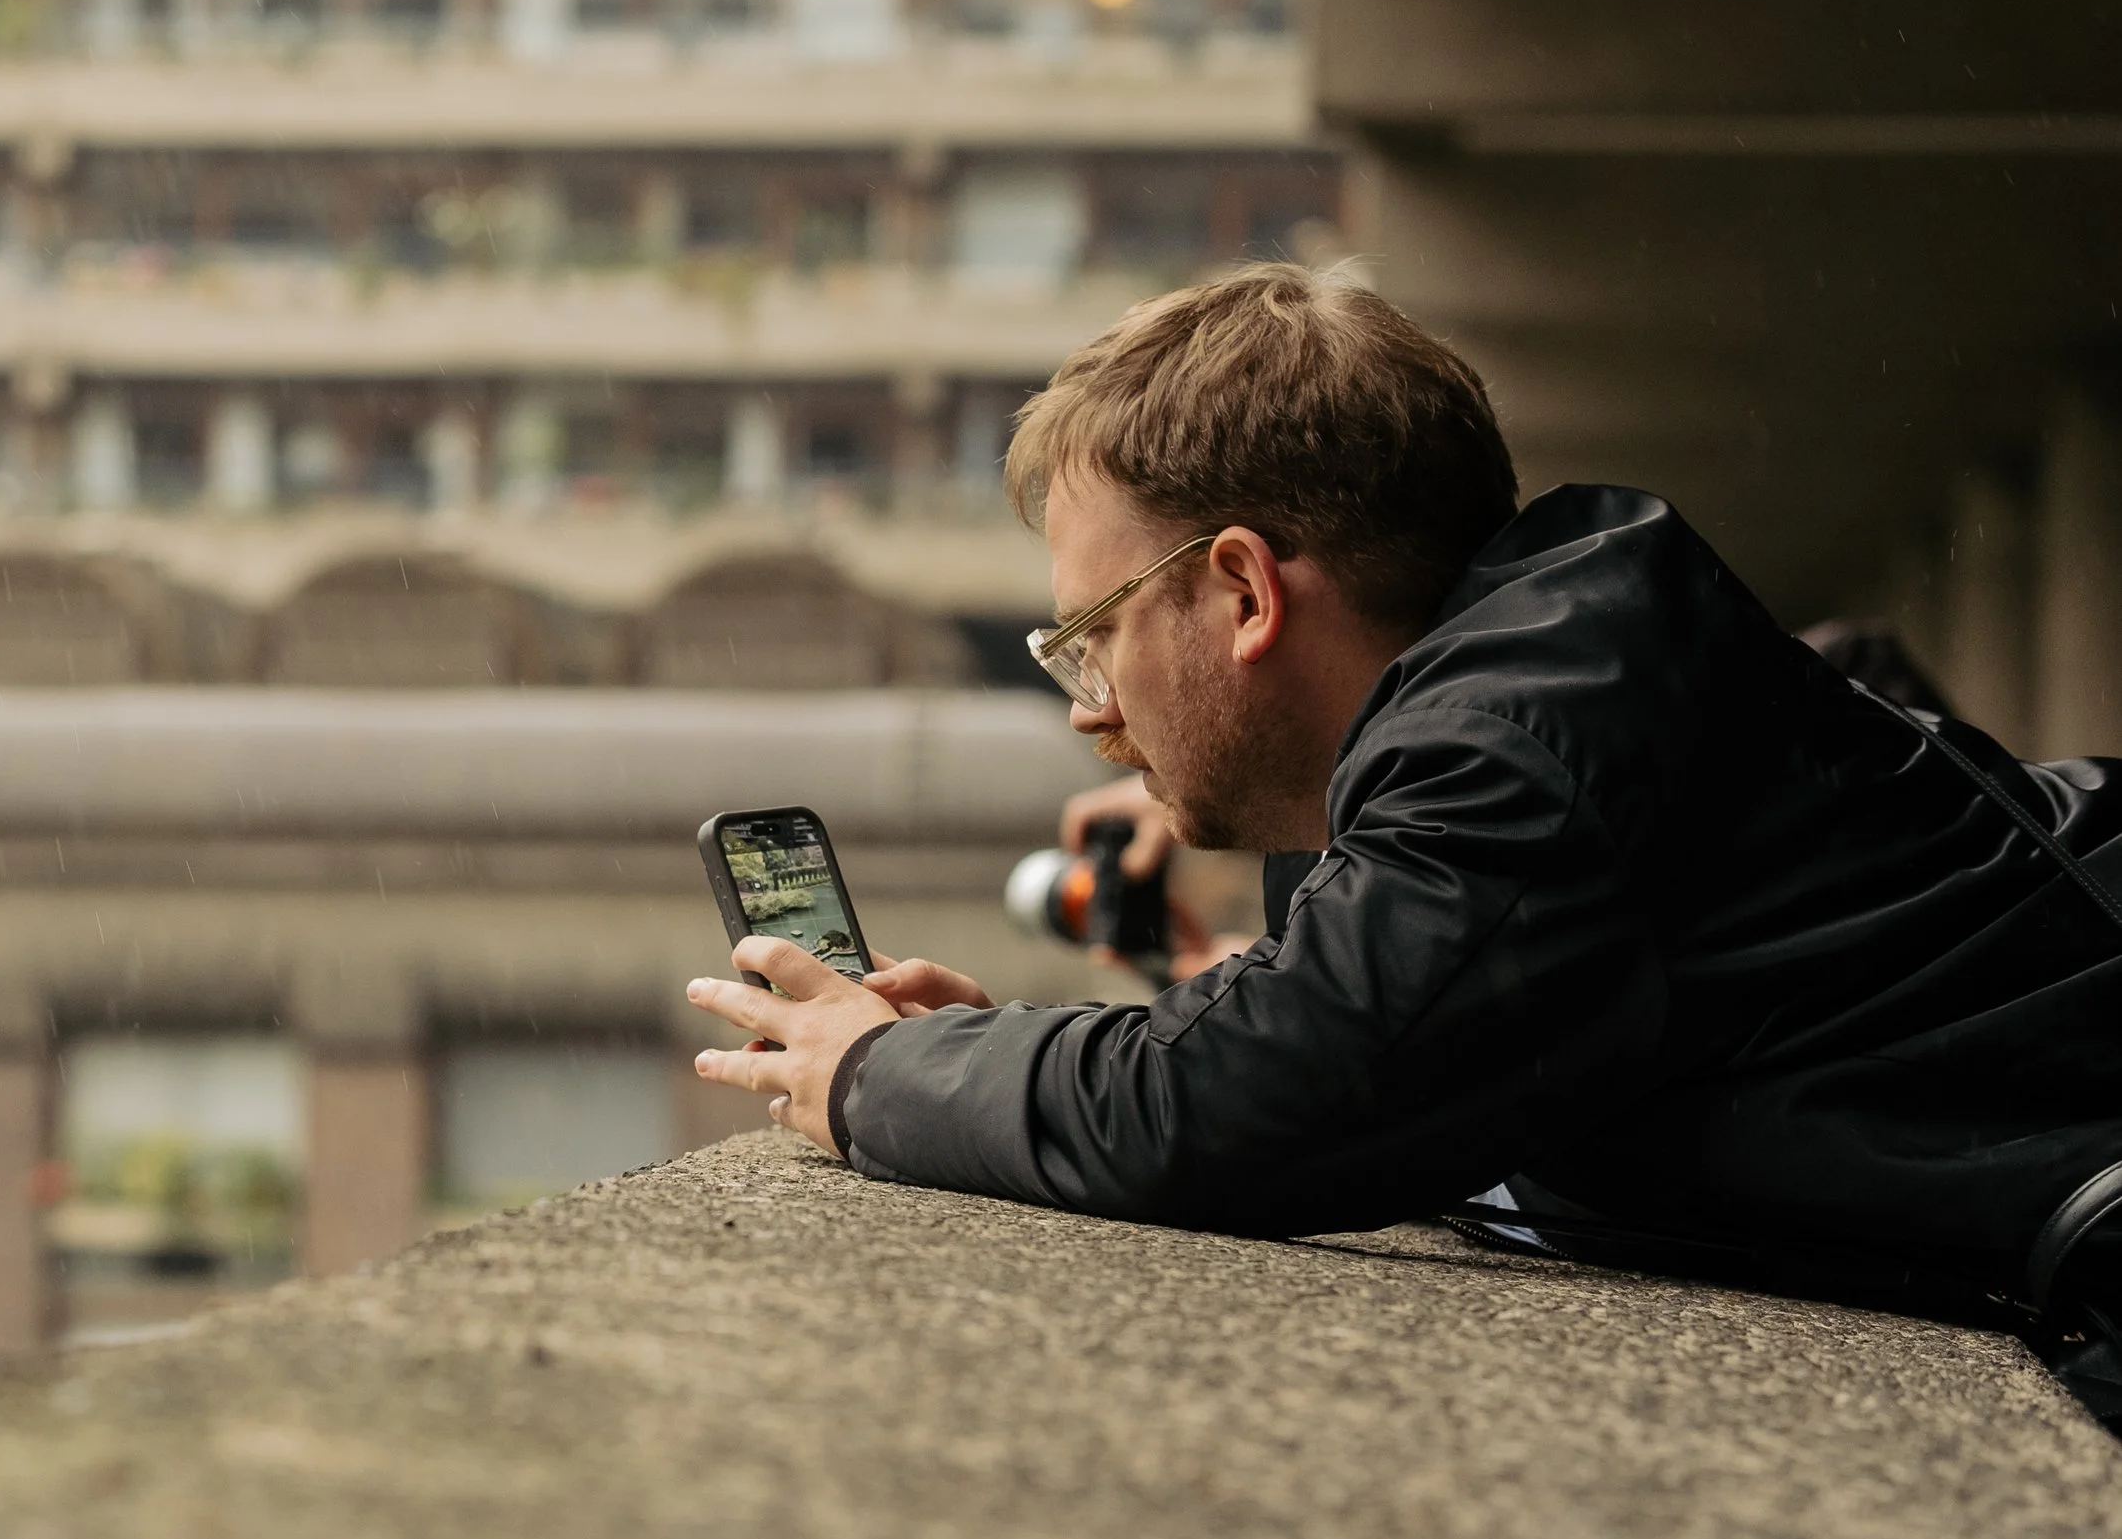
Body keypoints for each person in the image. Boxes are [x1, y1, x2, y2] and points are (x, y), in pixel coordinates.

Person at [683, 261, 2122, 1309]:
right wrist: (1005, 1060)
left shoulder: (1524, 750)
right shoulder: (1549, 690)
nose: (1095, 712)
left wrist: (877, 1074)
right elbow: (1379, 1047)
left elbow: (1240, 1106)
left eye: (1093, 638)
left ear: (1241, 589)